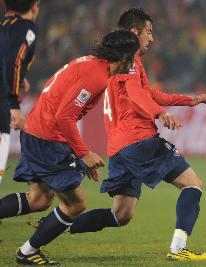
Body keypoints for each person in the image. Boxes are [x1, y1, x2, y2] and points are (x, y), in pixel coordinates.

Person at [66, 8, 206, 261]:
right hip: (139, 141)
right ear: (134, 31)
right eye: (149, 32)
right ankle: (178, 249)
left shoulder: (113, 61)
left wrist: (189, 101)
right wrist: (159, 114)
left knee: (121, 214)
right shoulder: (130, 60)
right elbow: (137, 95)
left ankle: (58, 225)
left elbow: (148, 93)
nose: (152, 38)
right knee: (193, 185)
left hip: (118, 149)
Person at [0, 30, 139, 265]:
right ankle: (26, 252)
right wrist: (84, 153)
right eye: (133, 56)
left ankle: (28, 251)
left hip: (37, 132)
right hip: (47, 138)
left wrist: (77, 152)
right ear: (124, 56)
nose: (135, 62)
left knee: (39, 200)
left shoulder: (91, 64)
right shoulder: (97, 76)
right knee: (76, 204)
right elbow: (64, 116)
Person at [0, 0, 40, 184]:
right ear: (34, 5)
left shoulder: (4, 26)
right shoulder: (26, 28)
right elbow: (14, 60)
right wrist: (14, 105)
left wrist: (18, 78)